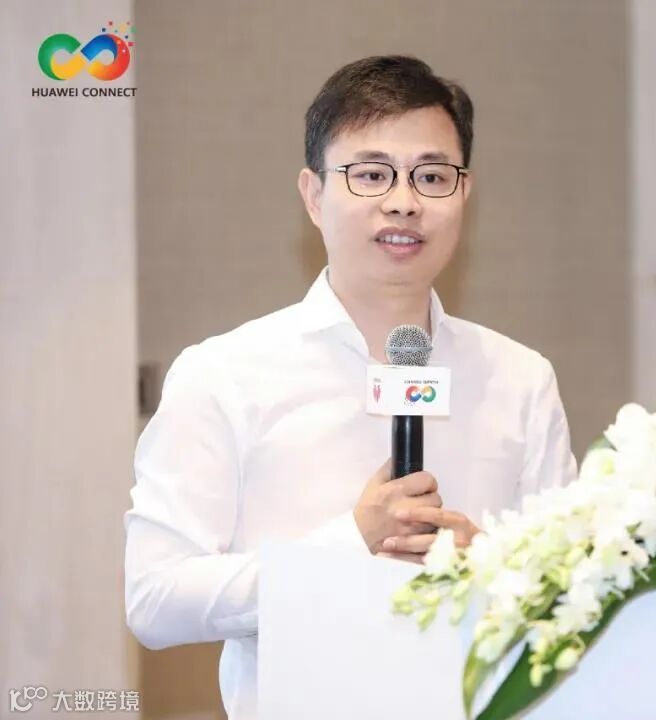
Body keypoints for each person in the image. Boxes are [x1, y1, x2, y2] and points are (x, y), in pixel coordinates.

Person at [123, 55, 578, 719]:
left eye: (432, 176)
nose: (404, 201)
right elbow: (154, 598)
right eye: (370, 174)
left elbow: (575, 591)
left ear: (464, 193)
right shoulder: (225, 373)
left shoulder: (520, 378)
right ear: (313, 195)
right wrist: (348, 547)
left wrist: (493, 566)